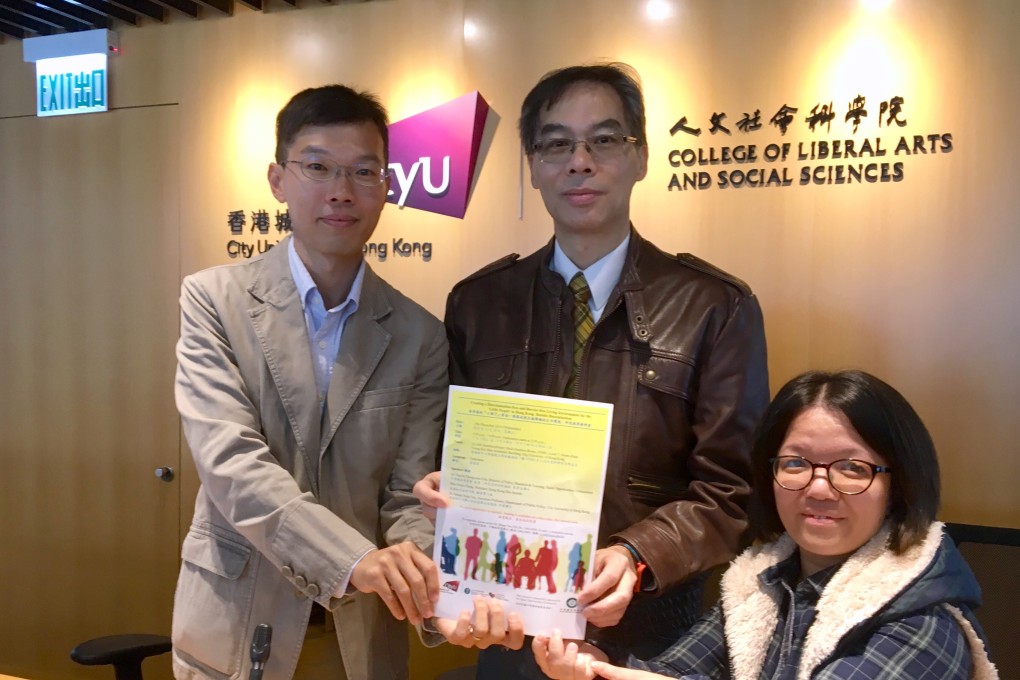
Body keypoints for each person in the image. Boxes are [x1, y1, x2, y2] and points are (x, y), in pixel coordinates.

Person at [415, 62, 769, 676]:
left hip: (652, 634)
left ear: (641, 157)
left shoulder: (714, 306)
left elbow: (734, 489)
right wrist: (439, 490)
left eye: (604, 140)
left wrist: (637, 554)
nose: (580, 161)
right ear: (533, 164)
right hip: (504, 625)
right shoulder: (477, 304)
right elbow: (447, 448)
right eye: (556, 143)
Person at [171, 84, 514, 680]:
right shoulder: (214, 301)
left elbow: (407, 495)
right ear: (278, 179)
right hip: (239, 618)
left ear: (387, 186)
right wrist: (354, 559)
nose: (340, 191)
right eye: (317, 167)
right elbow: (231, 466)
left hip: (362, 636)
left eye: (363, 171)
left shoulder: (419, 335)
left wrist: (433, 593)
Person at [534, 370, 1000, 680]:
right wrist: (596, 666)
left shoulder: (924, 622)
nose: (819, 488)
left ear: (898, 484)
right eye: (796, 463)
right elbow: (674, 673)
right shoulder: (761, 582)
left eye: (852, 469)